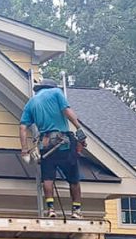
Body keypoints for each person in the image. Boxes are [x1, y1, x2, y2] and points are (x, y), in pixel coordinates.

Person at [19, 78, 87, 218]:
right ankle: (76, 211)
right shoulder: (56, 92)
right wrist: (79, 129)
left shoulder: (31, 102)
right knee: (74, 179)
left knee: (48, 179)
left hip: (45, 144)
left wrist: (25, 149)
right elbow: (67, 111)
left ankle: (50, 209)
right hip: (64, 143)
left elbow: (23, 127)